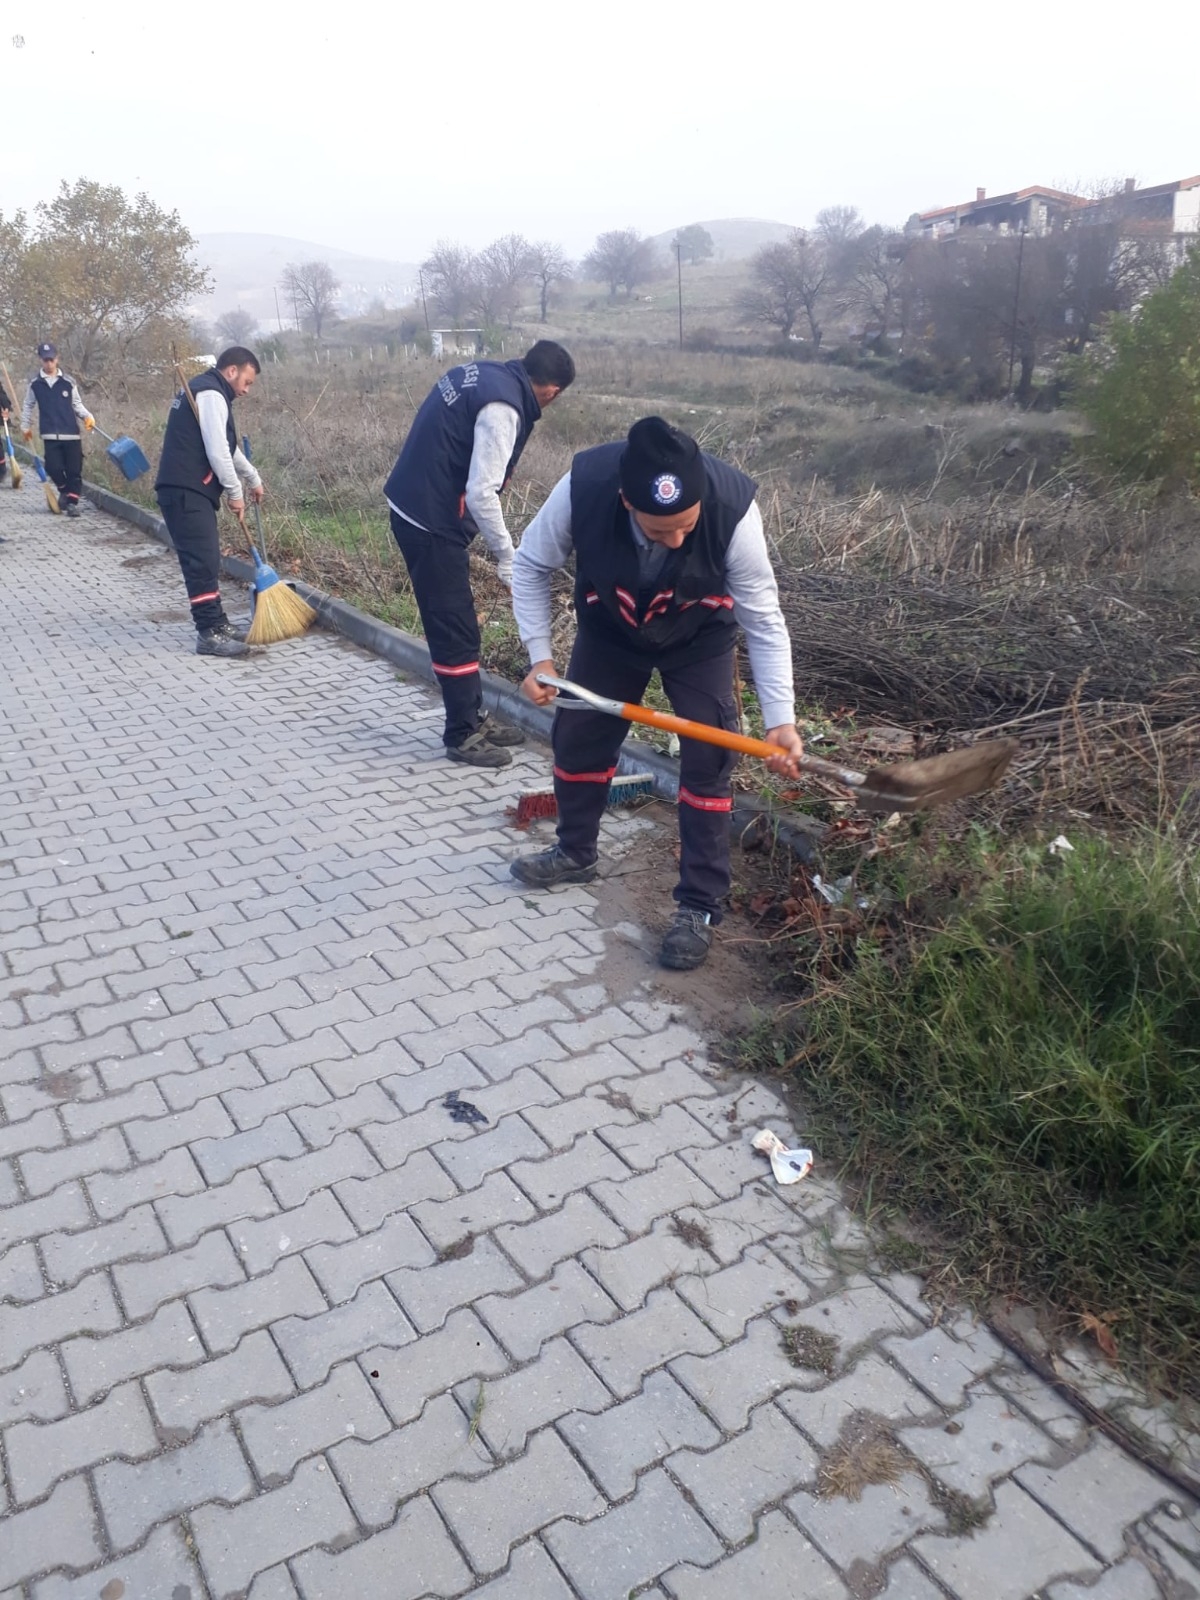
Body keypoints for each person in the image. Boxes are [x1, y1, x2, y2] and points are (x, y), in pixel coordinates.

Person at [509, 416, 805, 972]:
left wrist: (781, 720)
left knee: (710, 761)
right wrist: (539, 659)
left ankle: (699, 907)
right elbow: (529, 567)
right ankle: (575, 852)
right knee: (578, 741)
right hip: (611, 630)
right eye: (659, 530)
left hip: (699, 639)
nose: (676, 540)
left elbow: (764, 621)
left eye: (686, 528)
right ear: (626, 501)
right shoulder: (584, 487)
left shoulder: (733, 509)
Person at [383, 340, 575, 768]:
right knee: (455, 627)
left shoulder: (487, 374)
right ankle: (462, 734)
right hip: (428, 520)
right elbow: (481, 492)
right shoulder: (504, 408)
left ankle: (472, 716)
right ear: (552, 391)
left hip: (416, 502)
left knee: (461, 623)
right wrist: (509, 556)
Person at [154, 347, 265, 658]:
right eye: (247, 381)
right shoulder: (211, 395)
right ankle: (208, 634)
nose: (246, 389)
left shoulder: (207, 391)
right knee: (201, 562)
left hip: (189, 490)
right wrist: (235, 492)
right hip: (185, 490)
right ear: (232, 371)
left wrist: (252, 477)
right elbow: (216, 451)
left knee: (208, 558)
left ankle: (219, 624)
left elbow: (226, 447)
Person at [20, 342, 95, 517]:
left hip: (71, 435)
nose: (49, 364)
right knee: (53, 467)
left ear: (57, 358)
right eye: (45, 360)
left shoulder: (68, 382)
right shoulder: (35, 384)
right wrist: (25, 426)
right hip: (50, 434)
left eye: (52, 360)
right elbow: (28, 405)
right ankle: (64, 490)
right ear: (40, 360)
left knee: (74, 471)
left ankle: (72, 504)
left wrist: (88, 417)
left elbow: (77, 404)